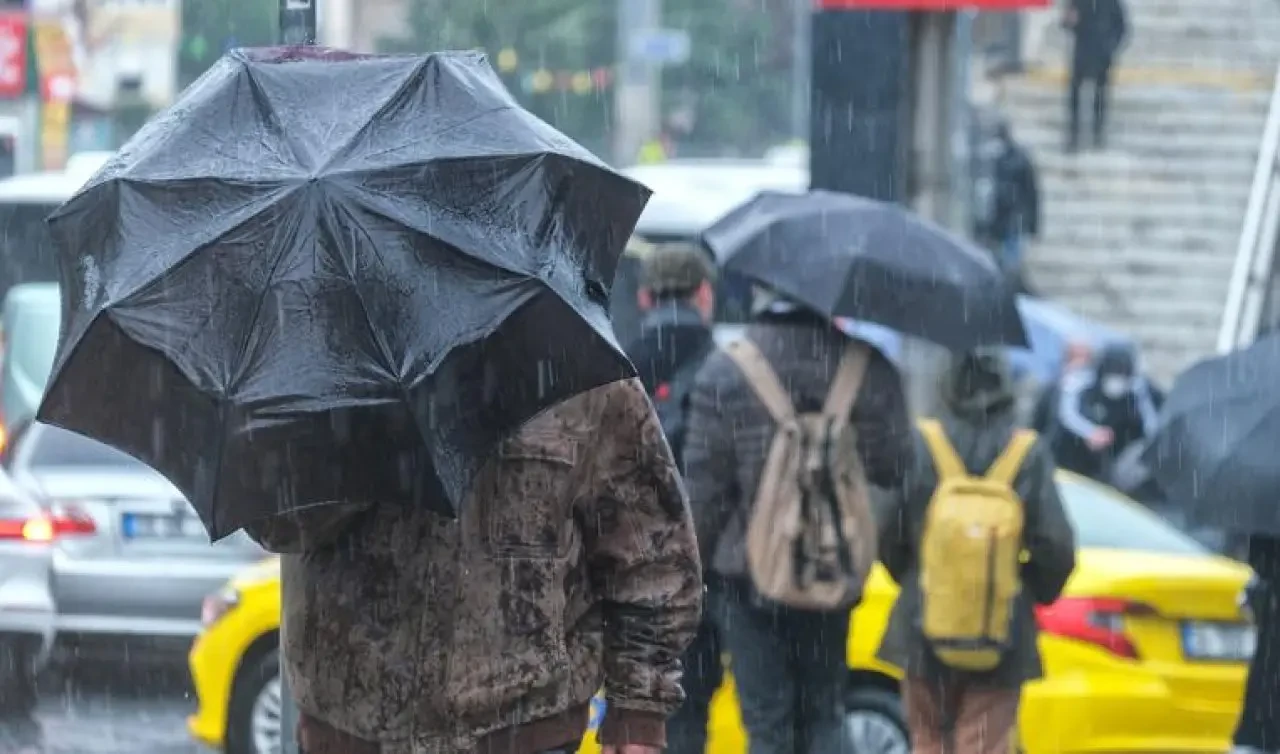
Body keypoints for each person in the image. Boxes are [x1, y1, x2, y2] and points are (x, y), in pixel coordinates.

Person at [246, 379, 703, 754]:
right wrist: (363, 432)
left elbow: (654, 556)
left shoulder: (571, 359)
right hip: (348, 729)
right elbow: (277, 523)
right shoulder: (327, 354)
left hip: (524, 731)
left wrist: (638, 716)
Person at [683, 288, 912, 754]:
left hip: (746, 580)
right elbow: (897, 468)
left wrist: (691, 574)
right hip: (831, 570)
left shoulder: (728, 370)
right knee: (825, 713)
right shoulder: (867, 367)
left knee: (768, 722)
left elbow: (703, 492)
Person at [878, 349, 1076, 754]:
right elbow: (1057, 547)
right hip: (1000, 632)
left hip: (924, 625)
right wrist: (1021, 589)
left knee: (929, 739)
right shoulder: (1027, 452)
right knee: (983, 744)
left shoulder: (922, 443)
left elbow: (886, 530)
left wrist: (921, 577)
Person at [623, 242, 719, 754]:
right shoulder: (726, 369)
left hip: (628, 568)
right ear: (704, 294)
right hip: (704, 576)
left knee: (635, 713)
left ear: (644, 297)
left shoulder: (615, 364)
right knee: (692, 710)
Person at [1051, 343, 1159, 481]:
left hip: (1114, 457)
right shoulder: (1080, 383)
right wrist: (1089, 432)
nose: (1117, 381)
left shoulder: (1137, 390)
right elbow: (1067, 414)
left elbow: (1150, 425)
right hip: (1072, 453)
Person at [975, 122, 1040, 282]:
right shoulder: (987, 160)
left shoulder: (1018, 160)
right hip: (992, 221)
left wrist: (1033, 225)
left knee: (1010, 263)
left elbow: (1031, 193)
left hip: (1011, 220)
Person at [1064, 0, 1128, 152]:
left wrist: (1111, 46)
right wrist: (1069, 21)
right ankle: (1074, 135)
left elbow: (1122, 27)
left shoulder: (1112, 3)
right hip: (1081, 54)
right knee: (1075, 95)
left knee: (1100, 94)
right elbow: (1066, 23)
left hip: (1101, 55)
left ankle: (1098, 132)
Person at [1028, 339, 1094, 435]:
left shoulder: (1091, 387)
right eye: (1073, 356)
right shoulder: (1053, 384)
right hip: (1049, 439)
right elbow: (1039, 415)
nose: (1078, 363)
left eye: (1083, 358)